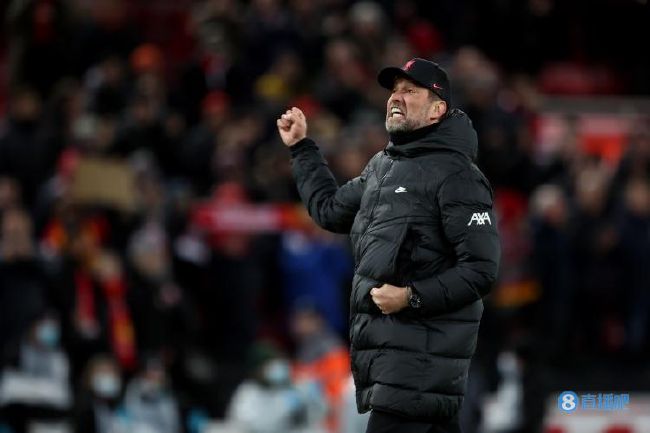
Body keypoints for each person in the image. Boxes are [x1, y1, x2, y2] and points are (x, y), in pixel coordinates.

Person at [277, 58, 501, 433]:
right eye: (394, 90)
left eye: (410, 91)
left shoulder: (458, 175)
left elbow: (481, 270)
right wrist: (301, 149)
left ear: (437, 110)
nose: (396, 98)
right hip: (398, 368)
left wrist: (410, 297)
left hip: (416, 370)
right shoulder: (383, 167)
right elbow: (330, 212)